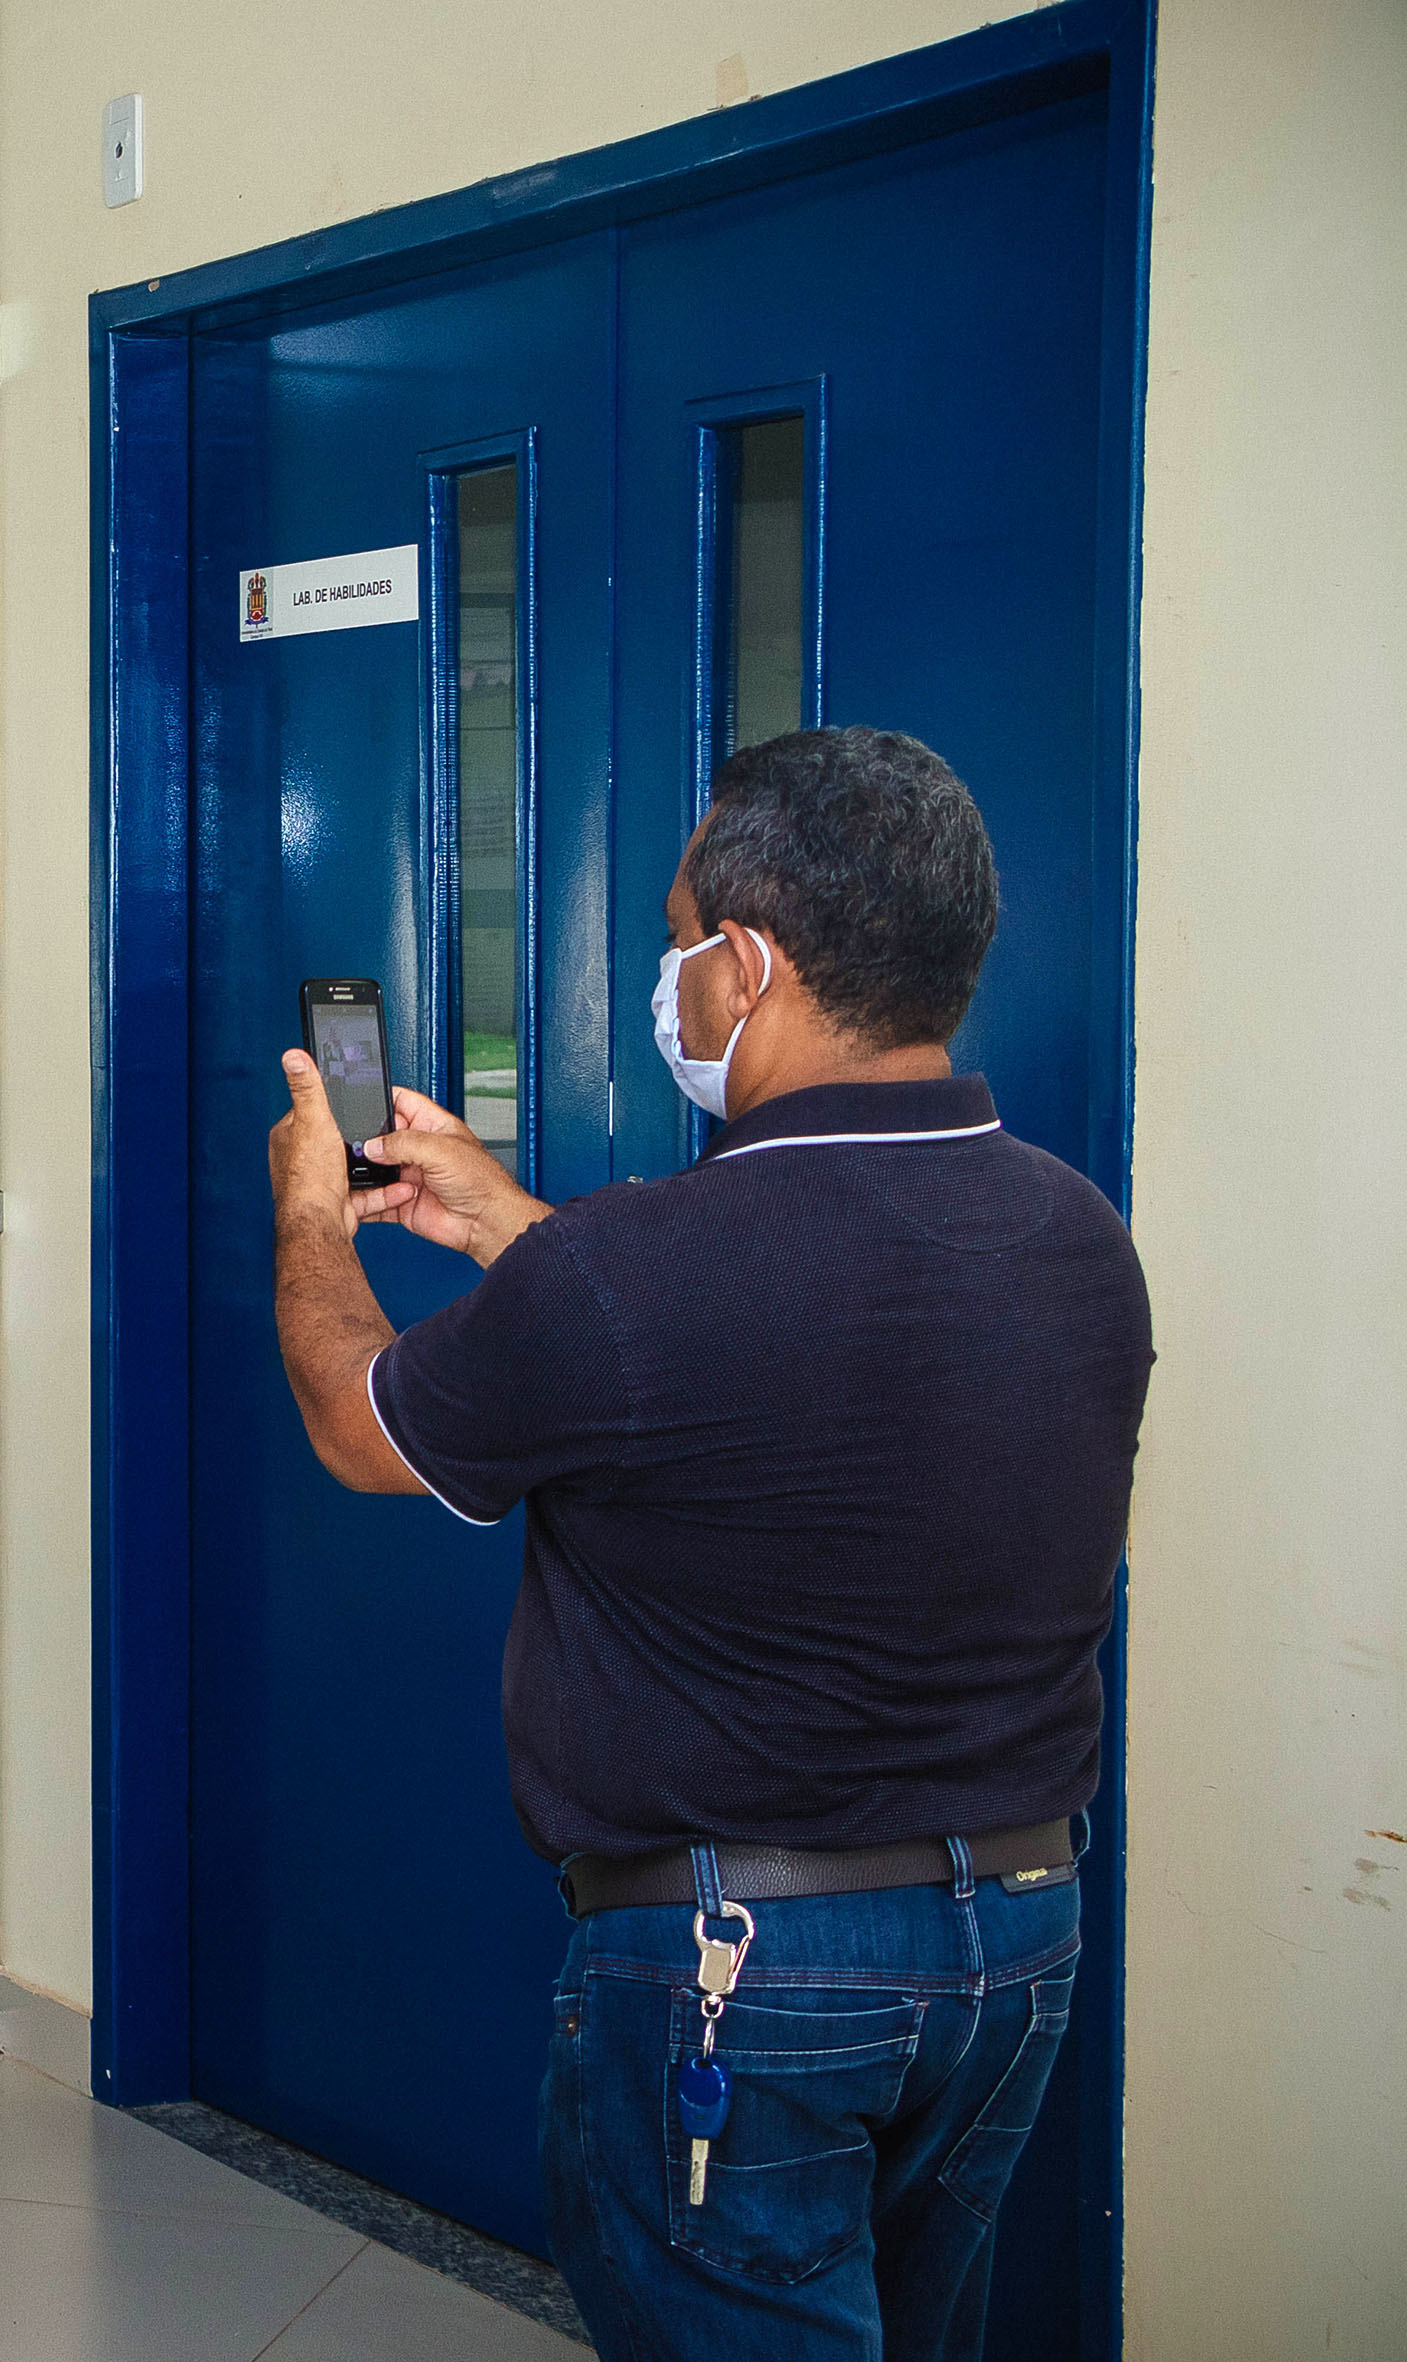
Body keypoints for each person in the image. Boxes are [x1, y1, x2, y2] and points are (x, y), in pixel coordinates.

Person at [263, 728, 1151, 2361]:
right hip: (1018, 1940)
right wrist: (510, 1226)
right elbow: (785, 1369)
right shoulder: (1079, 1236)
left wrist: (313, 1210)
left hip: (744, 1973)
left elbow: (354, 1418)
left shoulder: (632, 1270)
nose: (668, 980)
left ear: (747, 963)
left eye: (678, 940)